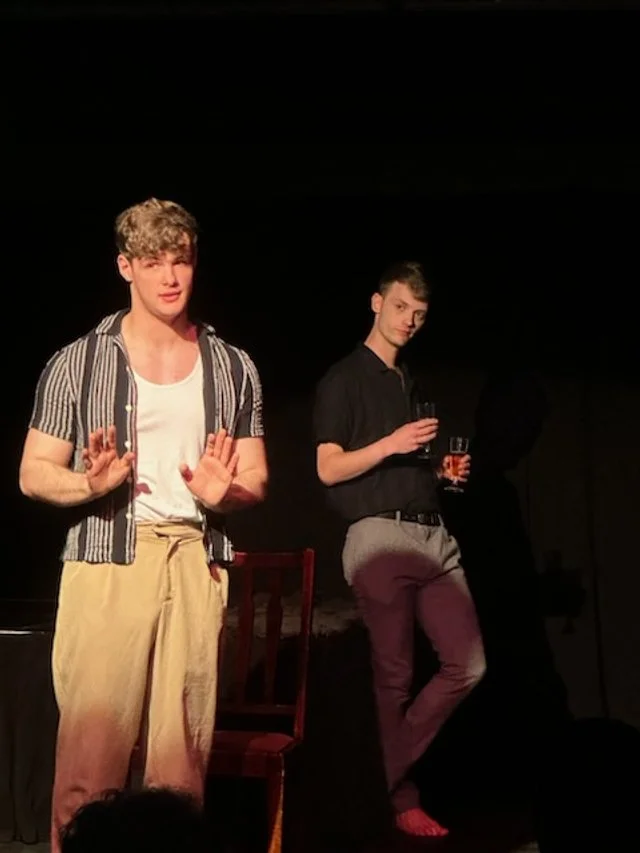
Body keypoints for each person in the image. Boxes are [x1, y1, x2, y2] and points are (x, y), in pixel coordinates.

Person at [19, 198, 268, 852]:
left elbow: (257, 477)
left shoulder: (232, 365)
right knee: (90, 759)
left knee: (179, 766)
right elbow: (33, 471)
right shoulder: (79, 360)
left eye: (180, 260)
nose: (169, 276)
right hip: (108, 561)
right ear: (125, 265)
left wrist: (228, 492)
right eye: (153, 261)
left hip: (191, 558)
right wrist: (90, 483)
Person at [313, 261, 485, 838]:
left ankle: (374, 780)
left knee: (469, 663)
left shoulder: (413, 384)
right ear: (376, 302)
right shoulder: (344, 379)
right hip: (379, 536)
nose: (410, 320)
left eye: (420, 314)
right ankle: (398, 797)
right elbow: (329, 468)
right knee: (394, 678)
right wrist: (390, 443)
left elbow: (411, 464)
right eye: (401, 307)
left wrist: (443, 471)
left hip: (432, 533)